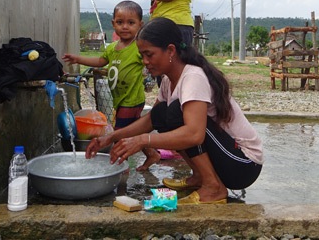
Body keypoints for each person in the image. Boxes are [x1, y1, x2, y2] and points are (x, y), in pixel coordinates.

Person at [86, 17, 263, 205]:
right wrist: (112, 137)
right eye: (142, 56)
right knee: (164, 113)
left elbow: (194, 135)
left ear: (170, 50)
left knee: (177, 115)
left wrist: (142, 140)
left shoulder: (193, 77)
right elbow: (151, 120)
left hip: (243, 164)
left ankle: (214, 187)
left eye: (149, 54)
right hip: (227, 159)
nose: (145, 61)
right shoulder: (168, 80)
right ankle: (200, 176)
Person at [62, 0, 160, 171]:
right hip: (120, 99)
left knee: (119, 134)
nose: (125, 27)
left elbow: (151, 59)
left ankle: (122, 166)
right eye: (120, 22)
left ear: (140, 25)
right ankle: (152, 154)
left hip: (131, 99)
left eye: (131, 23)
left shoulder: (138, 47)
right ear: (113, 23)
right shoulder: (113, 48)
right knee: (133, 130)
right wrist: (78, 59)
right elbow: (99, 62)